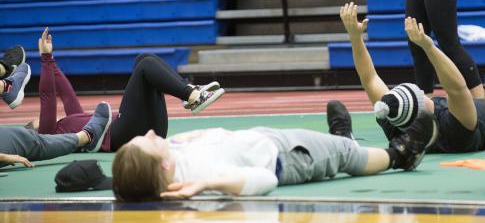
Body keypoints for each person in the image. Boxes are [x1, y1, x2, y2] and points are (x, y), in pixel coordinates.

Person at [111, 106, 437, 201]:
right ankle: (400, 155)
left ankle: (340, 138)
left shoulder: (170, 166)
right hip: (288, 156)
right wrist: (210, 184)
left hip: (267, 142)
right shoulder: (201, 176)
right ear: (164, 164)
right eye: (150, 140)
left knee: (334, 147)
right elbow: (265, 179)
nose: (152, 133)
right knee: (345, 155)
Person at [22, 28, 226, 151]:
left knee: (143, 58)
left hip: (146, 131)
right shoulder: (48, 134)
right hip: (123, 134)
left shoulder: (67, 124)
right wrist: (45, 59)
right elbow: (48, 98)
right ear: (35, 132)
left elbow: (66, 94)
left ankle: (190, 92)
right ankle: (192, 95)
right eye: (34, 121)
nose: (39, 117)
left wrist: (52, 59)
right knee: (144, 66)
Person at [338, 2, 485, 154]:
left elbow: (370, 79)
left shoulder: (395, 121)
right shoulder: (454, 131)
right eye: (417, 92)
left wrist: (355, 37)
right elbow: (458, 89)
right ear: (422, 109)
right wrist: (428, 47)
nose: (421, 90)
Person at [0, 101, 111, 169]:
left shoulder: (66, 122)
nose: (37, 119)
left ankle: (87, 137)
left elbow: (68, 99)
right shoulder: (51, 129)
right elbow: (48, 98)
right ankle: (87, 137)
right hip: (114, 132)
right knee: (27, 139)